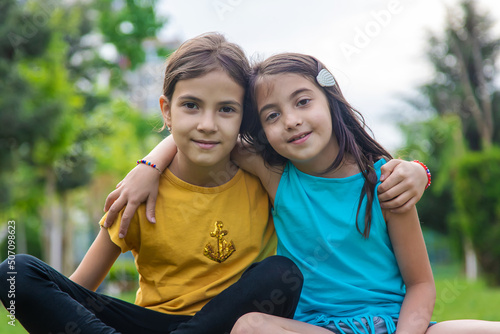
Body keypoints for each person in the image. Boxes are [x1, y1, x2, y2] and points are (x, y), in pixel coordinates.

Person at [0, 33, 304, 334]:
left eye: (226, 109)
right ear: (166, 111)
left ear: (243, 118)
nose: (207, 124)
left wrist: (152, 160)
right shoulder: (137, 193)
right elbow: (77, 289)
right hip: (145, 324)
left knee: (281, 273)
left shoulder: (262, 176)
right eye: (191, 105)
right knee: (15, 272)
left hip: (225, 326)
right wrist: (150, 166)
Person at [226, 53, 500, 333]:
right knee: (251, 327)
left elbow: (420, 284)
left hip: (393, 325)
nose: (291, 120)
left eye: (303, 101)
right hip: (319, 329)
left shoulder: (387, 183)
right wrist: (175, 138)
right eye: (272, 115)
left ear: (330, 100)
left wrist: (419, 171)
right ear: (262, 130)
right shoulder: (275, 176)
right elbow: (208, 138)